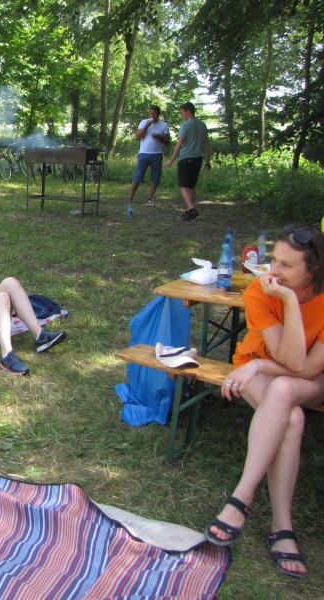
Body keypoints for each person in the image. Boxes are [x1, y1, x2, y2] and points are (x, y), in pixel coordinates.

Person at [204, 225, 324, 580]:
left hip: (313, 378)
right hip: (262, 369)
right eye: (274, 260)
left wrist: (289, 303)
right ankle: (282, 525)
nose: (274, 270)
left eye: (287, 265)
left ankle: (241, 499)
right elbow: (289, 360)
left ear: (313, 271)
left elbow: (305, 368)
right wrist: (257, 364)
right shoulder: (260, 289)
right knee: (292, 416)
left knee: (286, 388)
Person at [163, 102, 211, 221]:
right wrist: (207, 160)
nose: (181, 115)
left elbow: (180, 144)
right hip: (198, 158)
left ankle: (191, 209)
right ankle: (189, 210)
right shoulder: (202, 125)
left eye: (182, 112)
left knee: (183, 185)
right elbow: (206, 144)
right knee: (191, 186)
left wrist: (171, 160)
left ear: (188, 111)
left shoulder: (186, 125)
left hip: (186, 158)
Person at [127, 105, 170, 217]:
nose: (152, 116)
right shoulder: (143, 123)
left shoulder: (164, 125)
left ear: (158, 114)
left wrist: (159, 137)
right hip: (144, 153)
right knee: (138, 175)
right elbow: (138, 137)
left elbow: (167, 142)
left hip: (157, 154)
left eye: (154, 114)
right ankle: (130, 197)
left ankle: (150, 198)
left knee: (155, 177)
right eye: (151, 113)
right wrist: (147, 126)